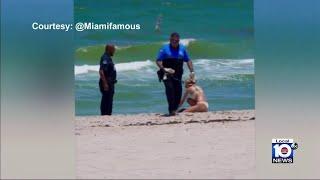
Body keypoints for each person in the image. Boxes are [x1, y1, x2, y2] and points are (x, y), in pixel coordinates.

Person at [156, 32, 195, 115]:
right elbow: (158, 61)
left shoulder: (182, 49)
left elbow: (188, 60)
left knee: (178, 91)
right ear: (170, 40)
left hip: (178, 74)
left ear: (179, 41)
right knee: (170, 90)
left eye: (176, 41)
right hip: (166, 74)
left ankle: (175, 109)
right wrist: (164, 69)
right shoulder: (164, 49)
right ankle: (171, 110)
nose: (174, 42)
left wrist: (192, 71)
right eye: (173, 41)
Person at [99, 44, 117, 115]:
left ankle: (108, 114)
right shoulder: (105, 58)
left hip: (110, 82)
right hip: (106, 82)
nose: (114, 51)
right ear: (109, 49)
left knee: (109, 100)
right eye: (113, 49)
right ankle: (104, 114)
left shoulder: (108, 58)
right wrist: (105, 83)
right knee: (106, 99)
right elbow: (101, 71)